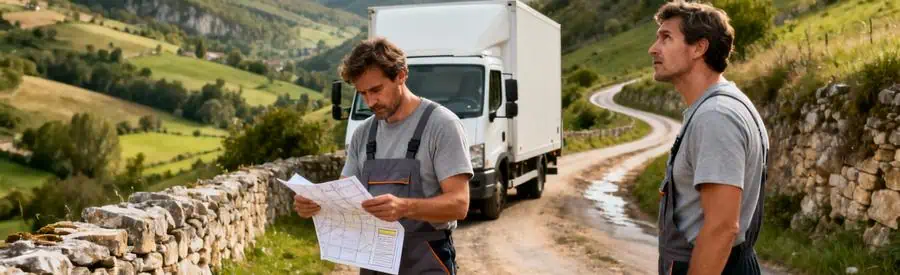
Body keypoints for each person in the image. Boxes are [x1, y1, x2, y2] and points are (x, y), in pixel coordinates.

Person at [293, 37, 474, 275]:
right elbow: (345, 195)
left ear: (401, 75)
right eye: (362, 94)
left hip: (427, 259)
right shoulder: (363, 134)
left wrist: (403, 207)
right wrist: (318, 204)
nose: (370, 102)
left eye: (376, 90)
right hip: (374, 261)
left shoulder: (441, 125)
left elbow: (460, 205)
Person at [648, 1, 770, 275]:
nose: (653, 49)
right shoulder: (719, 106)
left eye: (666, 37)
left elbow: (721, 228)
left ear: (699, 48)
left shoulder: (716, 117)